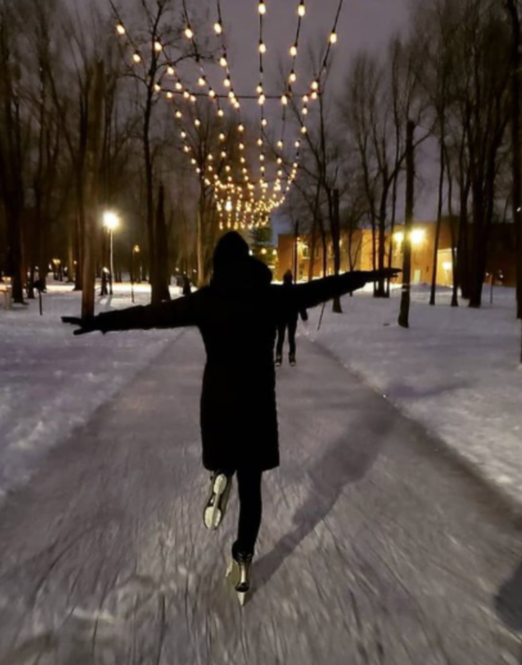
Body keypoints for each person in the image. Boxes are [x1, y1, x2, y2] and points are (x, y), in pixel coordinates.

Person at [62, 232, 398, 604]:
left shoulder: (208, 300)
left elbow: (152, 316)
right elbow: (320, 288)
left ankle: (221, 474)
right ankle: (242, 561)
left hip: (219, 401)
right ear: (248, 260)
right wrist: (367, 275)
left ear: (219, 264)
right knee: (252, 491)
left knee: (225, 457)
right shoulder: (270, 295)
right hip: (257, 405)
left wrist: (100, 322)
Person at [275, 270, 308, 366]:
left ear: (284, 279)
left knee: (280, 338)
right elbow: (301, 304)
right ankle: (292, 357)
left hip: (281, 317)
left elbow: (275, 306)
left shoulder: (279, 291)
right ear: (291, 279)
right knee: (291, 338)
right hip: (292, 317)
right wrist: (304, 316)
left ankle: (278, 357)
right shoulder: (296, 291)